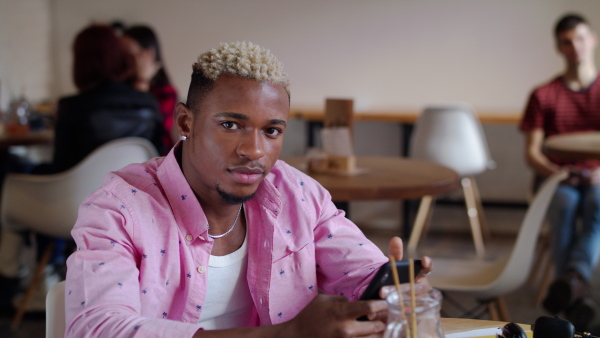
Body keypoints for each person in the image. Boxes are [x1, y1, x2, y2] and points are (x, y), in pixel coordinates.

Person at [64, 41, 432, 337]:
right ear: (185, 121)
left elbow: (362, 274)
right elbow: (96, 329)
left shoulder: (297, 194)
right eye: (230, 125)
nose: (254, 150)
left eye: (271, 131)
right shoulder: (119, 209)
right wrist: (288, 335)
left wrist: (393, 287)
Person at [0, 24, 164, 309]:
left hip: (73, 209)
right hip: (132, 210)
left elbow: (60, 168)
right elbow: (157, 161)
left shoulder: (72, 106)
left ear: (81, 62)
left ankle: (12, 274)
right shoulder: (147, 103)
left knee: (10, 171)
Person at [520, 13, 600, 331]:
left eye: (580, 38)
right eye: (567, 41)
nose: (575, 47)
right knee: (565, 203)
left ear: (592, 40)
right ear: (558, 47)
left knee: (597, 202)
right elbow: (532, 153)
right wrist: (556, 171)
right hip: (559, 177)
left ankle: (568, 283)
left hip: (597, 177)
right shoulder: (544, 94)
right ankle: (576, 289)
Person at [122, 25, 179, 153]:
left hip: (157, 159)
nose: (124, 60)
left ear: (149, 55)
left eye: (130, 54)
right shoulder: (118, 88)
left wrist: (142, 82)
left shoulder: (166, 93)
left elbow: (151, 128)